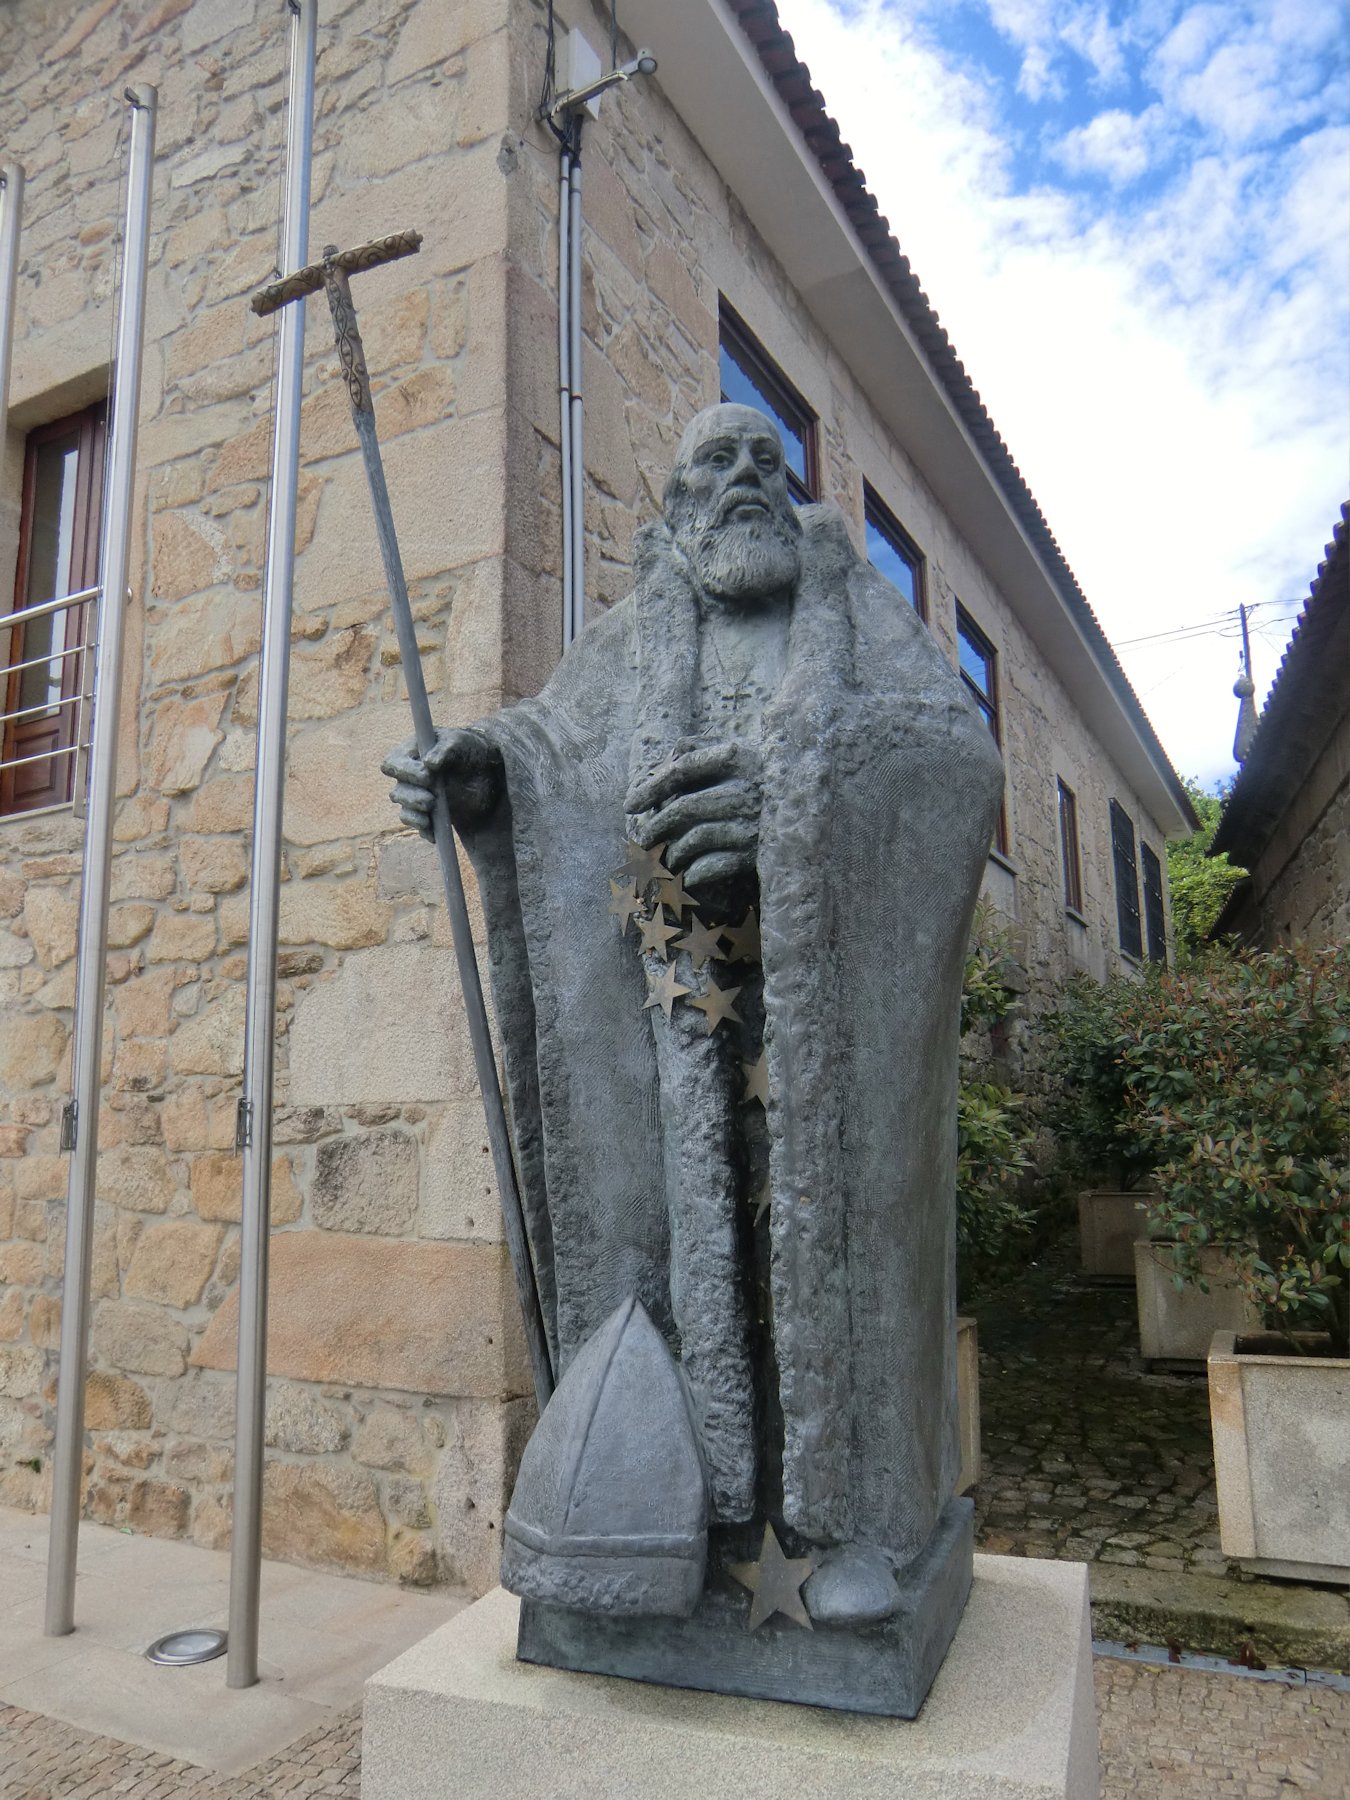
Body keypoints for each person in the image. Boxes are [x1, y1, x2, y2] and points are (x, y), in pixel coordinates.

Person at [384, 403, 1003, 1624]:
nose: (747, 481)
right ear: (672, 507)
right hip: (673, 1025)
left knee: (832, 1252)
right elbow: (552, 750)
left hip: (833, 1025)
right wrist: (482, 776)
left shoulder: (854, 612)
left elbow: (958, 761)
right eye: (716, 464)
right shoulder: (632, 639)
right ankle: (701, 1526)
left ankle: (857, 1527)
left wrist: (796, 797)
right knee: (685, 1251)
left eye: (768, 462)